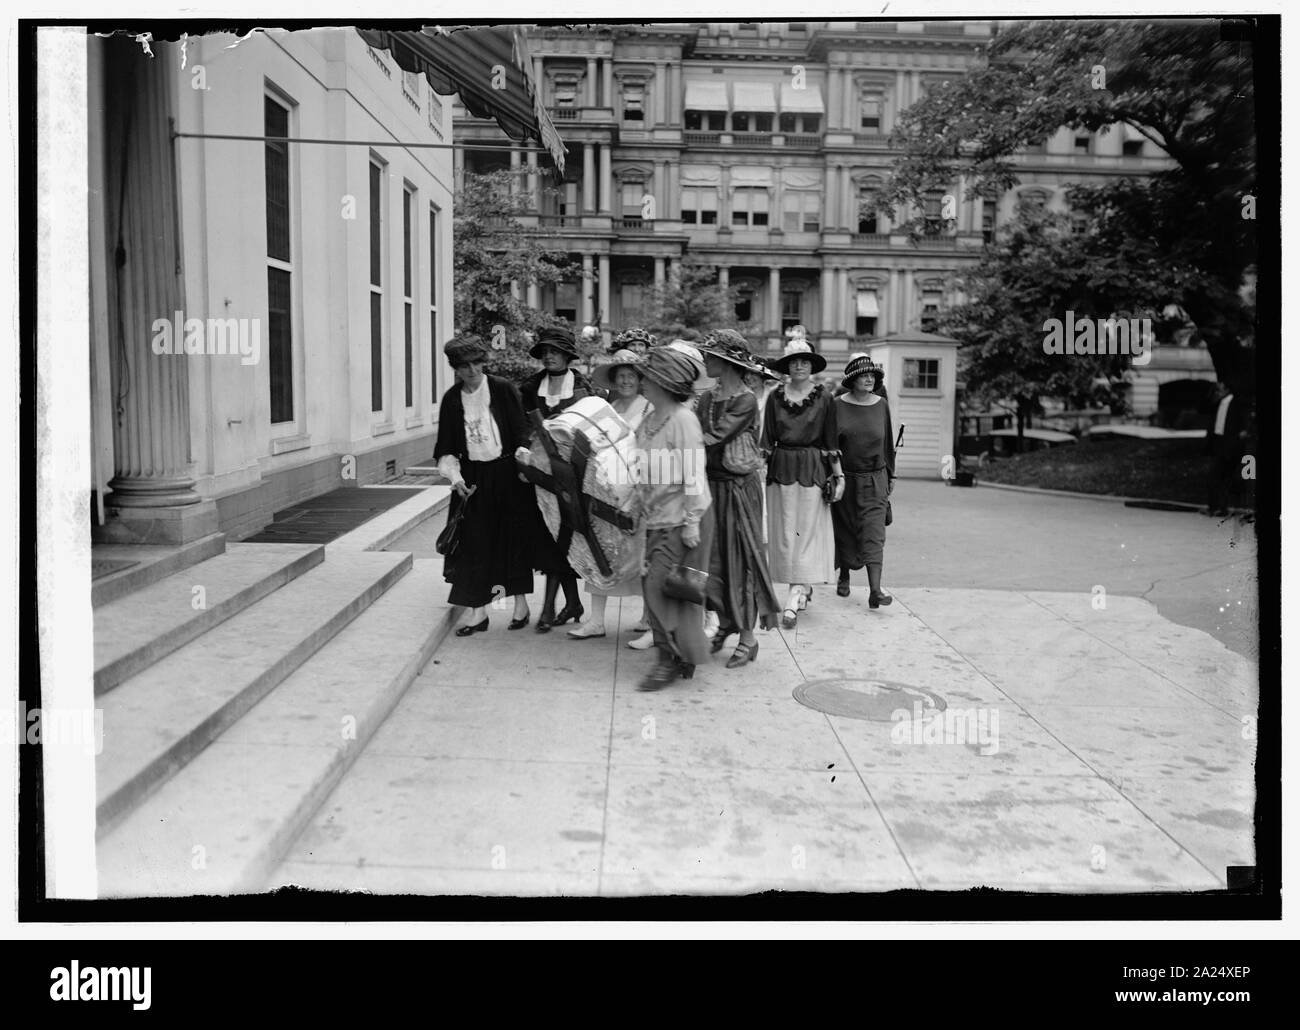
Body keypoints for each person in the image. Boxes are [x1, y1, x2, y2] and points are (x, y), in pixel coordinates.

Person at [433, 335, 539, 636]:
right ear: (456, 369)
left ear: (484, 362)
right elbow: (447, 445)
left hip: (506, 473)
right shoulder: (452, 399)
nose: (472, 371)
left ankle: (520, 605)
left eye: (476, 364)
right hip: (473, 479)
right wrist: (456, 479)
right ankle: (478, 613)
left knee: (511, 539)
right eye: (464, 366)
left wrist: (522, 461)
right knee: (473, 544)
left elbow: (521, 432)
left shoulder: (503, 389)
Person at [696, 330, 781, 667]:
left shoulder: (744, 400)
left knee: (741, 559)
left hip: (738, 490)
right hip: (710, 488)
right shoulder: (705, 397)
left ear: (727, 362)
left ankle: (748, 636)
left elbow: (713, 437)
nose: (705, 360)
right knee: (711, 561)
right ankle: (727, 624)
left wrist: (675, 443)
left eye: (710, 356)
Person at [634, 346, 714, 690]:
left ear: (664, 383)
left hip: (683, 519)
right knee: (661, 589)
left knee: (659, 587)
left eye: (647, 376)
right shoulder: (648, 420)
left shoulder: (683, 419)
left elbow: (694, 469)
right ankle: (680, 654)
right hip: (654, 519)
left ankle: (667, 661)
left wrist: (693, 521)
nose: (641, 381)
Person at [567, 349, 653, 640]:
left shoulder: (648, 408)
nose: (626, 381)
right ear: (614, 381)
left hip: (638, 490)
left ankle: (648, 617)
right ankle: (597, 620)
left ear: (639, 380)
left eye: (631, 376)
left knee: (642, 556)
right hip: (604, 490)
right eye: (621, 377)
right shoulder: (608, 406)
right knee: (600, 551)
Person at [519, 326, 601, 632]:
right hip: (538, 474)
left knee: (564, 537)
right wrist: (524, 454)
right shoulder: (529, 387)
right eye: (545, 352)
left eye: (555, 351)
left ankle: (548, 609)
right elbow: (520, 426)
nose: (549, 356)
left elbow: (592, 428)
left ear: (568, 355)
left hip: (572, 475)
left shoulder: (582, 387)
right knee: (548, 537)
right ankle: (572, 603)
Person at [761, 336, 844, 629]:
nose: (799, 366)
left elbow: (831, 440)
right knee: (785, 532)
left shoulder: (824, 398)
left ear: (811, 366)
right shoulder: (774, 396)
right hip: (781, 467)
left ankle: (794, 596)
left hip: (812, 467)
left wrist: (839, 476)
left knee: (804, 531)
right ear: (787, 366)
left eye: (804, 362)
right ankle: (801, 586)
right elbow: (766, 441)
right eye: (794, 362)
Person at [831, 353, 896, 608]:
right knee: (846, 529)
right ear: (853, 380)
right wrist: (834, 477)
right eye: (864, 375)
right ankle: (844, 574)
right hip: (846, 479)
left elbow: (888, 442)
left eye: (872, 375)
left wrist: (891, 473)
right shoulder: (837, 405)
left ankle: (875, 590)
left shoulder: (882, 404)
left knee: (874, 533)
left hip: (875, 478)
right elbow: (831, 444)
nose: (869, 379)